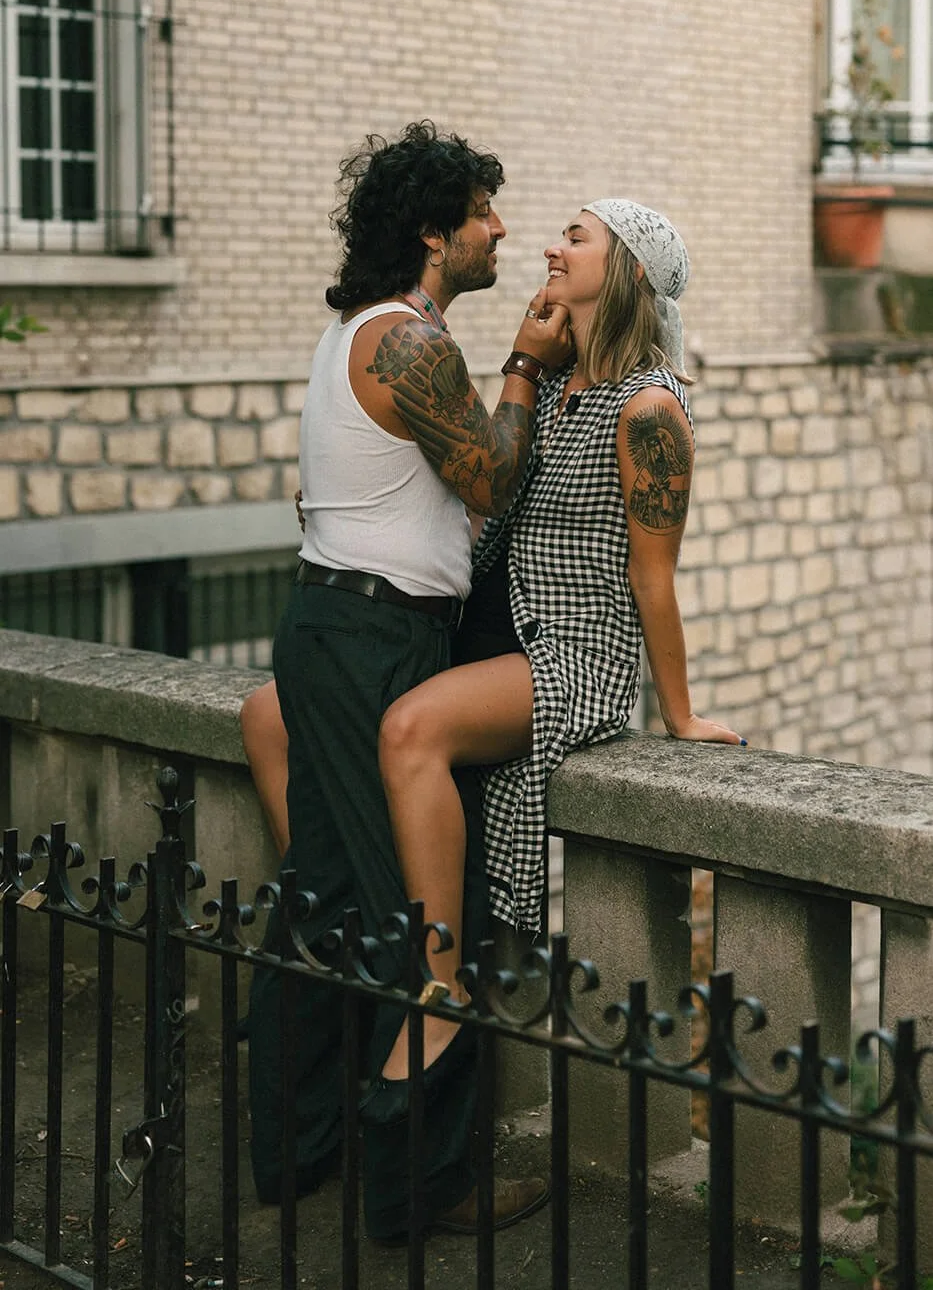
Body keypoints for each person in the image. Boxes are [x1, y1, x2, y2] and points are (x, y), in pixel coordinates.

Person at [246, 120, 571, 1242]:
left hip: (333, 628)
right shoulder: (412, 346)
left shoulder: (357, 330)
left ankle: (289, 1156)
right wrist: (527, 368)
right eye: (485, 210)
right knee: (422, 922)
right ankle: (421, 1188)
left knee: (324, 901)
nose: (502, 228)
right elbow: (489, 478)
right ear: (435, 232)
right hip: (374, 642)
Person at [367, 199, 745, 1106]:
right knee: (295, 711)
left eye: (577, 238)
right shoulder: (560, 385)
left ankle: (438, 986)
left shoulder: (650, 408)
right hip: (488, 637)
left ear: (624, 274)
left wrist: (678, 714)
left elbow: (652, 579)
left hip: (573, 655)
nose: (548, 245)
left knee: (410, 727)